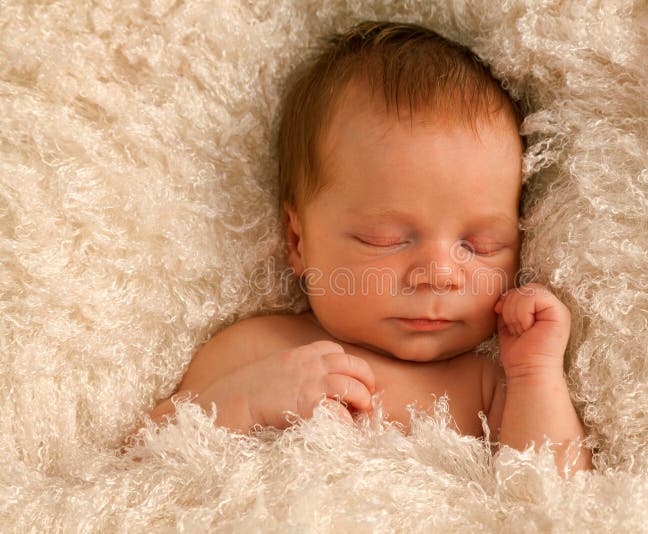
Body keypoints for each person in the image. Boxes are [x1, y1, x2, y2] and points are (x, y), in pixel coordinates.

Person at [142, 21, 592, 476]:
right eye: (386, 239)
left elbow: (554, 497)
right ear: (298, 242)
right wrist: (249, 400)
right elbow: (143, 460)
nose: (439, 273)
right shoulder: (260, 350)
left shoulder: (488, 385)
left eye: (480, 245)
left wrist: (536, 372)